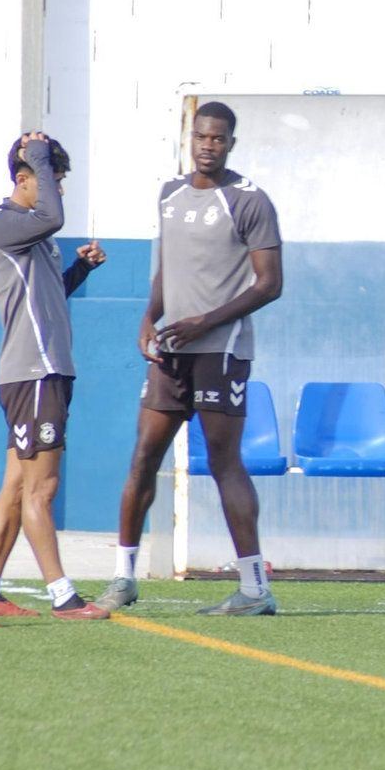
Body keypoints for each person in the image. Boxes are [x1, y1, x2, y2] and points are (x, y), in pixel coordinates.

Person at [95, 101, 284, 616]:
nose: (208, 145)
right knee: (143, 458)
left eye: (218, 139)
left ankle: (253, 589)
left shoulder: (249, 201)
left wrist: (208, 321)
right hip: (170, 353)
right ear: (191, 139)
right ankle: (123, 578)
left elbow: (271, 285)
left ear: (230, 143)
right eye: (201, 137)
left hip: (220, 351)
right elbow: (167, 270)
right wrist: (147, 319)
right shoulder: (169, 195)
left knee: (224, 462)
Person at [0, 131, 109, 620]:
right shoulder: (4, 224)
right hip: (34, 373)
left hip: (41, 371)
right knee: (42, 489)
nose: (58, 191)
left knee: (16, 485)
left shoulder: (36, 238)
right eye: (51, 180)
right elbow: (54, 214)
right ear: (24, 179)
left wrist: (79, 270)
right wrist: (35, 152)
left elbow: (47, 297)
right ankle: (63, 596)